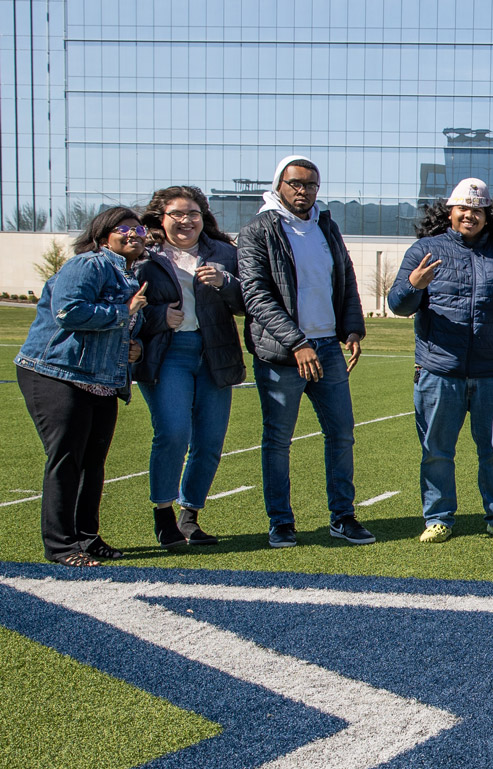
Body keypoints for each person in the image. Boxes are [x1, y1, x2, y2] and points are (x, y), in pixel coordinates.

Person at [389, 178, 493, 543]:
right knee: (437, 451)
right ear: (450, 211)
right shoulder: (424, 250)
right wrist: (414, 284)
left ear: (489, 215)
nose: (470, 215)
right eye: (463, 208)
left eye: (478, 210)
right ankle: (439, 518)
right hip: (439, 370)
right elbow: (399, 305)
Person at [238, 155, 371, 548]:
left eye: (311, 184)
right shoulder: (257, 231)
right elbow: (255, 295)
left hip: (329, 347)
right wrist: (296, 342)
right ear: (279, 184)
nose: (303, 191)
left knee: (342, 434)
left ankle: (343, 517)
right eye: (295, 183)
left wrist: (352, 328)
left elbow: (344, 277)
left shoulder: (326, 227)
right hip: (282, 353)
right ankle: (281, 521)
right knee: (278, 439)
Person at [15, 207, 147, 566]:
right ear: (104, 234)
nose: (134, 234)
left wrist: (135, 346)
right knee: (67, 460)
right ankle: (60, 546)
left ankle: (87, 538)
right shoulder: (88, 264)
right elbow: (68, 311)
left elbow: (122, 332)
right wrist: (124, 312)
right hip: (57, 373)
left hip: (100, 381)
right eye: (124, 228)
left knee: (93, 463)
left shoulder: (129, 275)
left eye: (139, 230)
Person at [132, 186, 246, 549]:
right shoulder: (144, 258)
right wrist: (157, 315)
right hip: (168, 355)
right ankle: (164, 516)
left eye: (193, 214)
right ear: (160, 219)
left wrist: (226, 283)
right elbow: (125, 304)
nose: (186, 221)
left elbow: (249, 301)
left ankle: (189, 517)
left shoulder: (225, 253)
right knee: (173, 433)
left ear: (204, 217)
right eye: (177, 214)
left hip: (216, 353)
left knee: (210, 441)